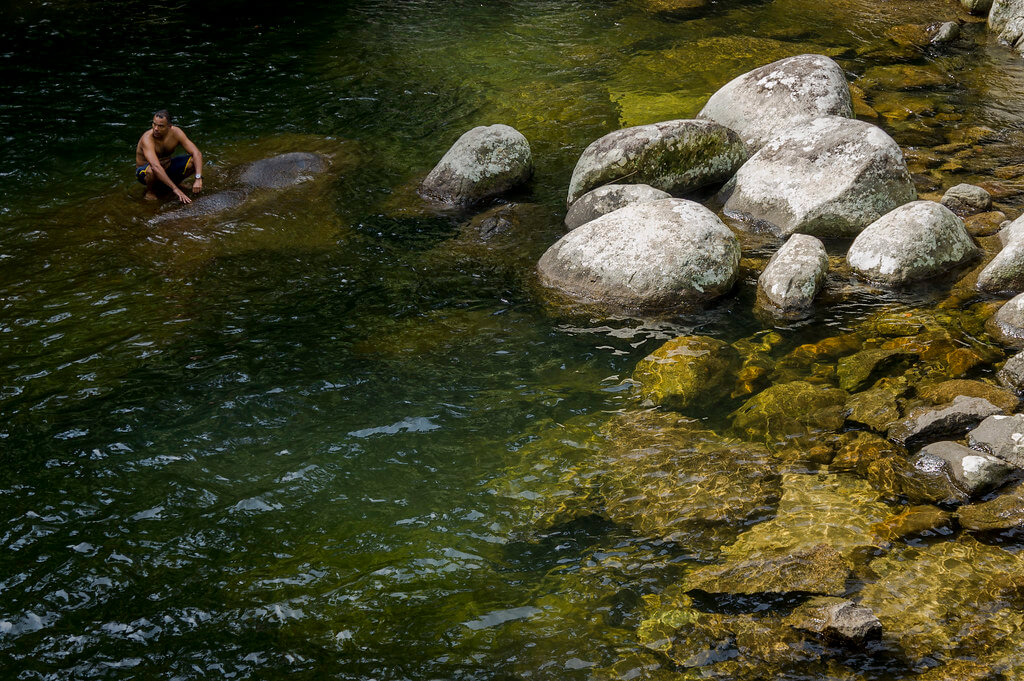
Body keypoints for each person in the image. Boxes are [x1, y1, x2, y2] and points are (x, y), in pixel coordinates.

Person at [135, 109, 204, 203]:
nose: (155, 128)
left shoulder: (176, 133)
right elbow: (155, 166)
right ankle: (151, 191)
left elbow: (197, 153)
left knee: (193, 161)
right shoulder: (147, 138)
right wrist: (175, 189)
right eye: (154, 124)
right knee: (152, 170)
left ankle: (176, 183)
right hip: (145, 171)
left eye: (160, 126)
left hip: (166, 166)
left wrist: (198, 178)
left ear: (169, 126)